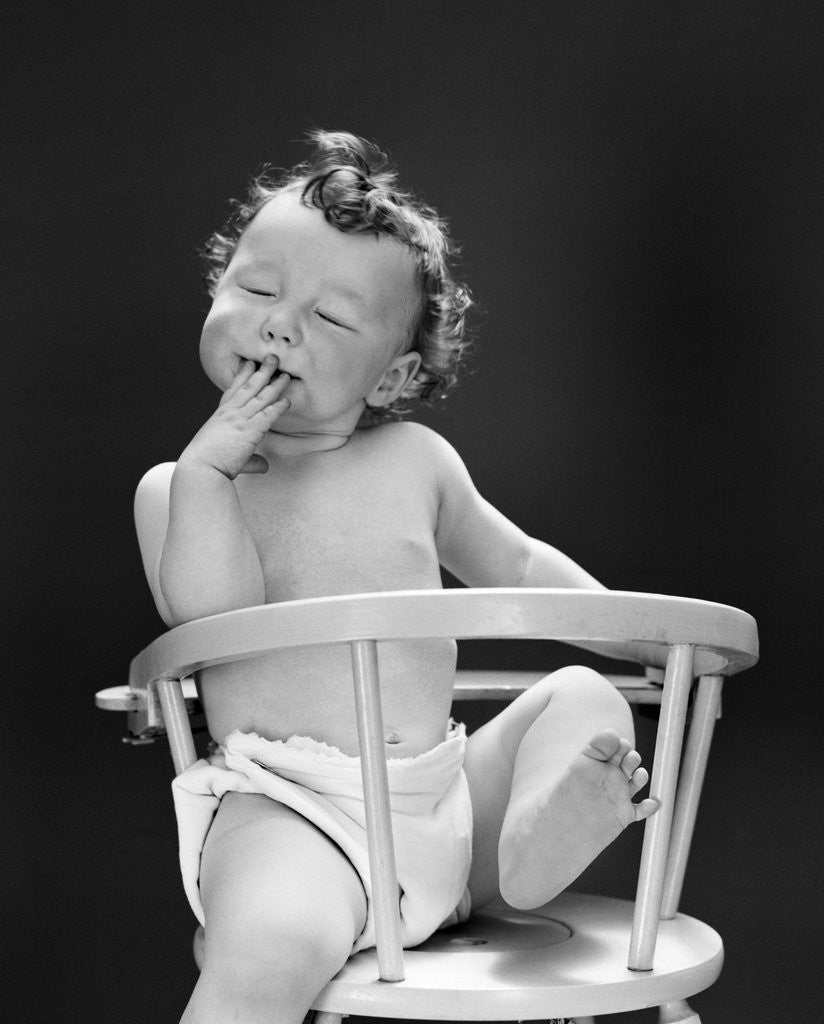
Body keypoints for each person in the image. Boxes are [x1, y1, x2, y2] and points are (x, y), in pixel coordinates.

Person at [134, 130, 659, 1024]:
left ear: (393, 376)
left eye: (331, 318)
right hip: (296, 815)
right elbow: (212, 615)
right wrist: (209, 471)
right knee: (271, 941)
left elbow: (520, 568)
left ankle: (536, 833)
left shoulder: (419, 461)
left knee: (581, 697)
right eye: (256, 290)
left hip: (443, 801)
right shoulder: (179, 489)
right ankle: (271, 959)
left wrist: (644, 635)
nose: (279, 324)